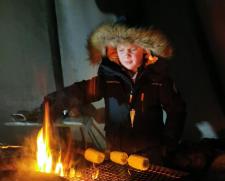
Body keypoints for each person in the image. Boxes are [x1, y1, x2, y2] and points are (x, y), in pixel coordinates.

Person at [43, 22, 186, 165]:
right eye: (122, 50)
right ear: (114, 53)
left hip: (150, 155)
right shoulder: (109, 80)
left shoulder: (157, 80)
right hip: (117, 153)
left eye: (133, 49)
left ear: (145, 51)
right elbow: (82, 91)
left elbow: (177, 110)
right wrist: (53, 101)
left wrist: (168, 144)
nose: (127, 55)